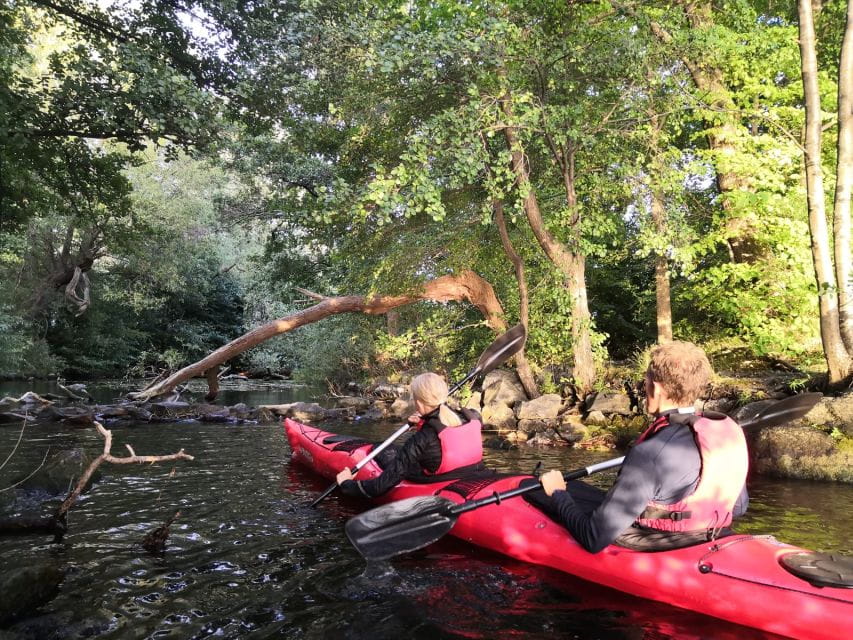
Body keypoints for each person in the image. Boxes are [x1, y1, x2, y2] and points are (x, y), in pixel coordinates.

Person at [527, 341, 749, 553]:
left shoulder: (652, 452)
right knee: (578, 490)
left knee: (539, 493)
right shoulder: (724, 433)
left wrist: (557, 493)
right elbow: (739, 508)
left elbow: (593, 538)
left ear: (657, 388)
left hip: (662, 541)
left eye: (646, 381)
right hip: (712, 532)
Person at [336, 372, 484, 498]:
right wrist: (422, 422)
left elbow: (379, 487)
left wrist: (347, 484)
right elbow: (447, 433)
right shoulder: (470, 417)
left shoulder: (422, 439)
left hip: (437, 478)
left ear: (418, 402)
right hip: (473, 472)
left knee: (381, 449)